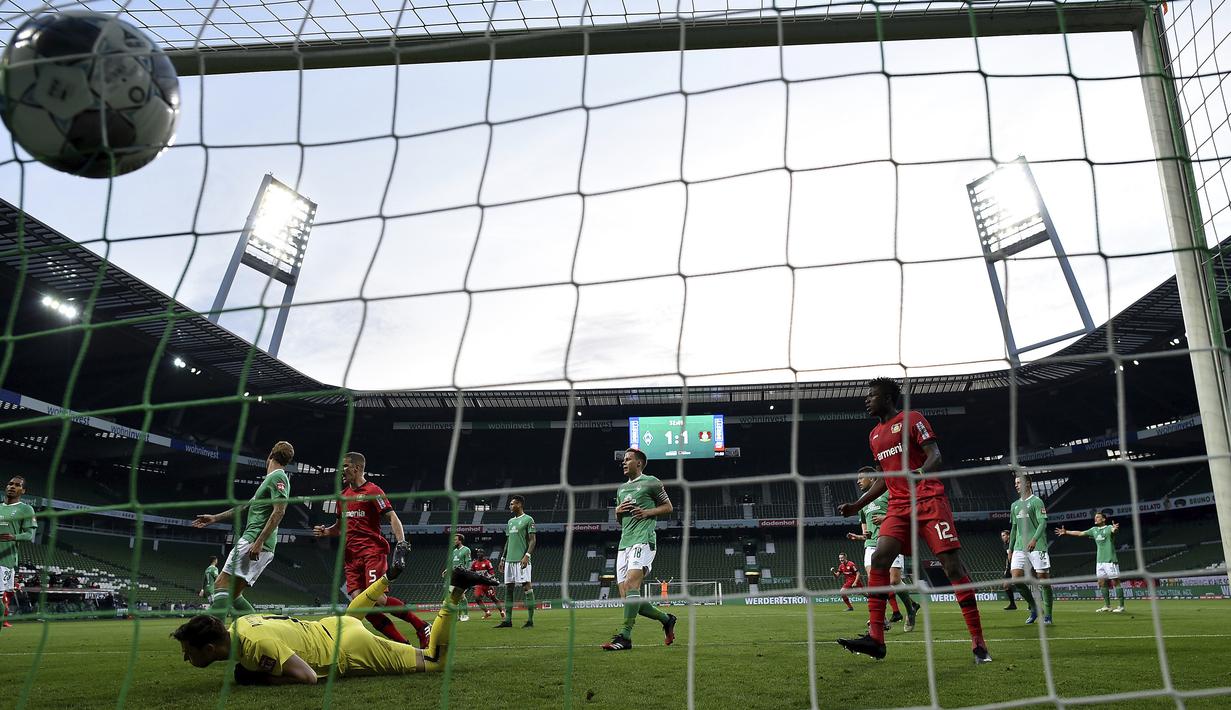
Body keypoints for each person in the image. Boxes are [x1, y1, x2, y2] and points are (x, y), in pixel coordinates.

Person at [836, 378, 990, 664]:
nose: (867, 400)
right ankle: (876, 639)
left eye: (873, 395)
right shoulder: (874, 435)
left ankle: (978, 641)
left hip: (929, 499)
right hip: (898, 505)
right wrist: (857, 505)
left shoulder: (912, 419)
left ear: (888, 397)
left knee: (951, 566)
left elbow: (935, 455)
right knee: (880, 559)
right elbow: (883, 478)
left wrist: (917, 474)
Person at [172, 560, 499, 684]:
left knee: (435, 663)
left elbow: (309, 677)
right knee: (355, 614)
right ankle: (386, 579)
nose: (187, 658)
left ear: (211, 648)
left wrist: (262, 678)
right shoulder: (244, 624)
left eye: (189, 652)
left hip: (346, 648)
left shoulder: (256, 648)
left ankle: (456, 590)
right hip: (333, 624)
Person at [313, 451, 429, 647]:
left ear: (357, 468)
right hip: (351, 557)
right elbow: (340, 527)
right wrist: (327, 532)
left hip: (372, 552)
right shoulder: (342, 497)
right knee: (361, 606)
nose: (342, 470)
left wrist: (401, 543)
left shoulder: (373, 491)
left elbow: (392, 517)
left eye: (346, 465)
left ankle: (422, 626)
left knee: (378, 599)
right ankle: (403, 644)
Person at [193, 441, 294, 617]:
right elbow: (243, 508)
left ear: (270, 455)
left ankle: (213, 638)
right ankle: (256, 631)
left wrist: (259, 542)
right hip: (260, 543)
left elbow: (280, 511)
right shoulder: (269, 481)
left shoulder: (278, 477)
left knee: (220, 586)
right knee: (234, 594)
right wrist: (215, 518)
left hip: (254, 540)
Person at [601, 448, 677, 651]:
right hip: (624, 543)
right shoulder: (621, 489)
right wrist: (617, 512)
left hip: (643, 540)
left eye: (628, 460)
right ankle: (666, 619)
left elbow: (668, 507)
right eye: (623, 460)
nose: (624, 463)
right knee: (627, 598)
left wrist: (647, 512)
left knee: (632, 585)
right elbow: (621, 521)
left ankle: (624, 637)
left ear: (639, 463)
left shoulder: (651, 481)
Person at [847, 468, 919, 631]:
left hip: (891, 540)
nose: (858, 481)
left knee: (893, 581)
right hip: (871, 545)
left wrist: (885, 518)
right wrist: (858, 537)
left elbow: (905, 514)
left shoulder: (888, 492)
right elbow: (866, 532)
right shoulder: (862, 503)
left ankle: (910, 608)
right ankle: (882, 619)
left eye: (861, 478)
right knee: (875, 582)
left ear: (872, 478)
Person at [1056, 512, 1126, 613]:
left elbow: (1114, 530)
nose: (1096, 518)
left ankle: (1121, 606)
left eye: (1098, 517)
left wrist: (1115, 528)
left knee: (1115, 581)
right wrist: (1066, 532)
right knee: (1101, 582)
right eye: (1095, 517)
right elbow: (1080, 533)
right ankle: (1107, 606)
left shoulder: (1109, 527)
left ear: (1103, 519)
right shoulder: (1094, 530)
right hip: (1100, 561)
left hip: (1110, 560)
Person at [1009, 472, 1051, 624]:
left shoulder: (1037, 502)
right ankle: (1035, 608)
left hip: (1037, 545)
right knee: (1016, 579)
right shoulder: (1014, 505)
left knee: (1043, 581)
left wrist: (1034, 539)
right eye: (1015, 483)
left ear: (1027, 484)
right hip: (1020, 547)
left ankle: (1048, 616)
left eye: (1019, 483)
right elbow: (1014, 529)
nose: (1016, 485)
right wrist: (1010, 548)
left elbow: (1042, 523)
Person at [494, 495, 537, 629]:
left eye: (512, 504)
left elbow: (532, 540)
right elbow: (508, 541)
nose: (510, 506)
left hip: (521, 559)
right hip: (509, 561)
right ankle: (508, 620)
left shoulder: (528, 519)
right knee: (509, 589)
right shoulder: (510, 521)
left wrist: (527, 556)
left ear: (519, 504)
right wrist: (502, 558)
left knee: (526, 587)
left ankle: (530, 620)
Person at [0, 476, 36, 633]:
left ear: (23, 490)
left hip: (5, 560)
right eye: (10, 484)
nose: (12, 487)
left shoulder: (26, 509)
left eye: (17, 485)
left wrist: (14, 537)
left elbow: (29, 535)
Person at [469, 549, 504, 620]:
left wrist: (487, 578)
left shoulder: (487, 562)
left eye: (481, 552)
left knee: (493, 598)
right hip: (479, 584)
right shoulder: (474, 563)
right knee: (477, 598)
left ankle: (502, 611)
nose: (479, 554)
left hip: (487, 584)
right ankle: (487, 612)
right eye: (478, 552)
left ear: (483, 554)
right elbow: (471, 572)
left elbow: (492, 574)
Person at [445, 534, 472, 621]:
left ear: (460, 541)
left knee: (461, 595)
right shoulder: (454, 551)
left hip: (462, 576)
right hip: (454, 577)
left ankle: (466, 615)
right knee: (455, 597)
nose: (454, 541)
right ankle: (458, 616)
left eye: (455, 540)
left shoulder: (466, 550)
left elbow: (468, 563)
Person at [1000, 530, 1018, 610]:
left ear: (1009, 535)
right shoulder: (1005, 545)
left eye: (1004, 535)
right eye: (1002, 536)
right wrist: (1006, 568)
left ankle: (1031, 604)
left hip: (1016, 566)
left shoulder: (1014, 543)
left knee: (1020, 585)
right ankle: (1012, 604)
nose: (1002, 537)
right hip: (1009, 567)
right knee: (1006, 585)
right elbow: (1007, 558)